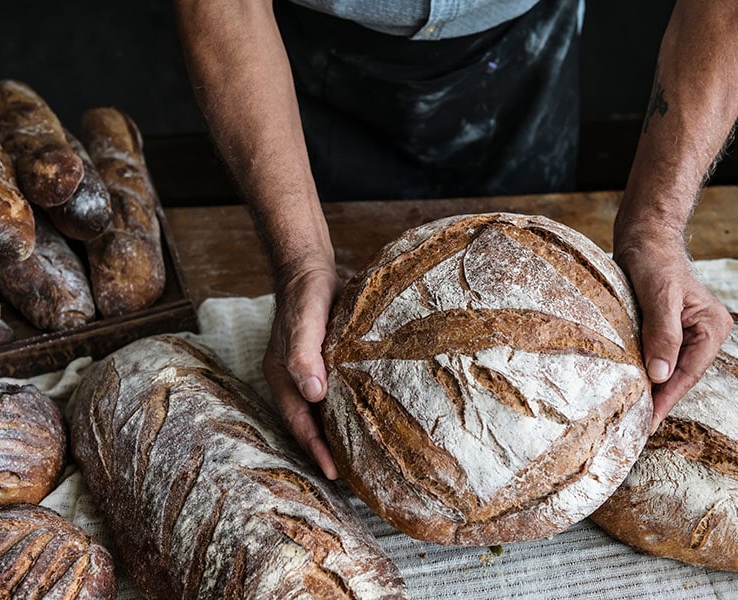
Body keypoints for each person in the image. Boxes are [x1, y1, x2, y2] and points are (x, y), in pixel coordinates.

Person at [172, 0, 736, 480]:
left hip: (523, 45)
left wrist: (655, 228)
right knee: (332, 330)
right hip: (290, 67)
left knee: (530, 291)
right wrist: (299, 261)